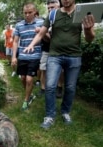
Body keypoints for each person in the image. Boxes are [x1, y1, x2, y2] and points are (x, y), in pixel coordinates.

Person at [24, 0, 95, 129]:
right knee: (50, 86)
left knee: (70, 87)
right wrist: (31, 45)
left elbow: (89, 39)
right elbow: (41, 33)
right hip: (55, 56)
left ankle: (65, 112)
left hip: (74, 56)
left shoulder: (83, 13)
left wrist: (88, 29)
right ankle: (50, 116)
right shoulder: (53, 14)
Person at [12, 2, 44, 111]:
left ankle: (26, 100)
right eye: (25, 13)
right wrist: (14, 57)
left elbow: (46, 36)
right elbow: (15, 42)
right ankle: (29, 93)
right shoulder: (19, 25)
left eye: (29, 12)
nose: (27, 15)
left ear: (35, 12)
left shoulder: (41, 22)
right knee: (23, 78)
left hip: (35, 55)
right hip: (22, 55)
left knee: (29, 79)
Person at [37, 0, 60, 97]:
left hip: (59, 50)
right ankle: (43, 88)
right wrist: (43, 34)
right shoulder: (45, 21)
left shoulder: (62, 20)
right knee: (43, 69)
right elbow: (46, 40)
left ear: (58, 7)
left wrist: (45, 34)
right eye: (48, 8)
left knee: (60, 71)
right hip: (46, 50)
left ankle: (59, 88)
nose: (50, 10)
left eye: (52, 7)